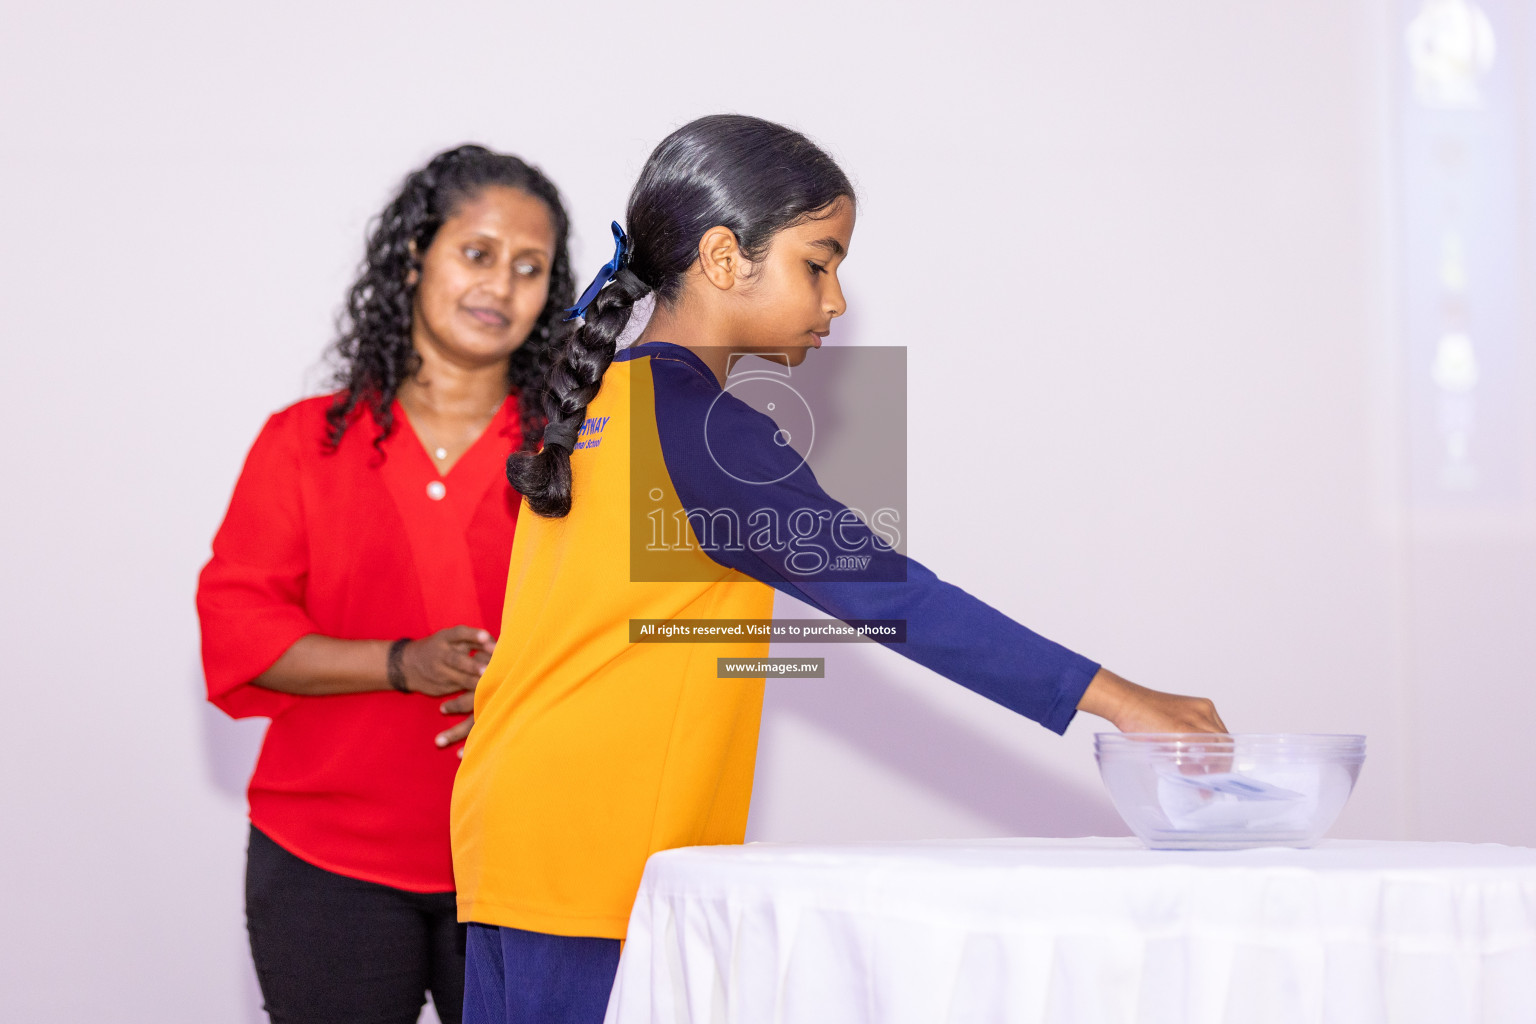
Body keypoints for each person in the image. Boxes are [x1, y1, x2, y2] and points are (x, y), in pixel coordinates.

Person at [450, 115, 1228, 1024]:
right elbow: (895, 597)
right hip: (597, 848)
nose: (837, 300)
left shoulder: (603, 396)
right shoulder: (711, 432)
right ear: (724, 258)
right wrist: (1125, 701)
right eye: (818, 263)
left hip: (509, 831)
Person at [197, 144, 574, 1024]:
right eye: (477, 254)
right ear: (414, 258)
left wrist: (526, 689)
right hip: (328, 861)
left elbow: (625, 637)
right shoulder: (304, 443)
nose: (502, 286)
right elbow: (240, 627)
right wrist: (400, 662)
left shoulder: (575, 457)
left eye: (531, 268)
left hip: (524, 860)